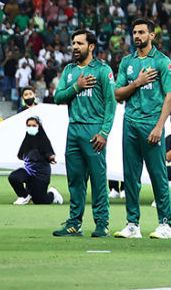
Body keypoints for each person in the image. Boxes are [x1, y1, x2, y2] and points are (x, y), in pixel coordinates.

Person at [113, 18, 171, 239]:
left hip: (152, 124)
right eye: (134, 32)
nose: (137, 36)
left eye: (141, 32)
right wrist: (137, 83)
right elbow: (117, 94)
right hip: (129, 122)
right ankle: (133, 225)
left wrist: (160, 126)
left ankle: (166, 225)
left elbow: (170, 95)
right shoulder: (126, 62)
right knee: (130, 176)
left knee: (158, 175)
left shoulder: (162, 61)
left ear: (152, 35)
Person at [52, 29, 116, 237]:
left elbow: (110, 102)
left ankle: (102, 223)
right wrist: (76, 87)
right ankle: (74, 224)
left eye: (79, 43)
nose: (75, 47)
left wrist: (104, 132)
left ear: (91, 46)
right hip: (74, 129)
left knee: (98, 179)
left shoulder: (102, 69)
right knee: (75, 180)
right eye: (73, 43)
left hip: (94, 129)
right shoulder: (69, 71)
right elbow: (58, 97)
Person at [10, 115, 63, 206]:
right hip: (28, 170)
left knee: (40, 201)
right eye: (29, 126)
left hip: (41, 174)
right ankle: (24, 196)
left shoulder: (43, 140)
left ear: (39, 126)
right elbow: (20, 155)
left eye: (34, 126)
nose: (31, 128)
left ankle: (53, 193)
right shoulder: (26, 140)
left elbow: (51, 155)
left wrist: (51, 159)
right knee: (14, 177)